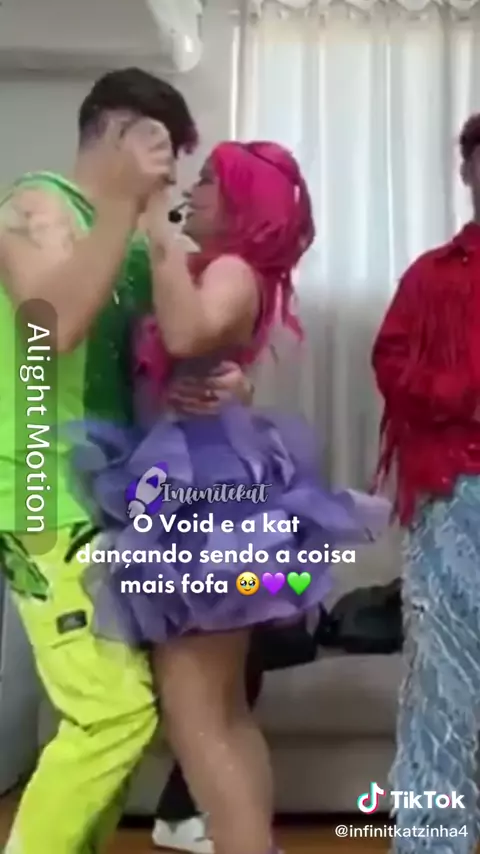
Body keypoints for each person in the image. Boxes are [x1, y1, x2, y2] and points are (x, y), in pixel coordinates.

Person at [70, 139, 391, 854]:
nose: (196, 188)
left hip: (205, 504)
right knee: (220, 714)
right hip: (204, 489)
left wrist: (153, 215)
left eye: (211, 180)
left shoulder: (232, 269)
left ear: (244, 202)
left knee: (200, 718)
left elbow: (188, 331)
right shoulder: (218, 269)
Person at [0, 68, 255, 854]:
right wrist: (121, 205)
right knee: (112, 713)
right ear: (116, 133)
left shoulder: (138, 244)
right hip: (41, 493)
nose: (170, 177)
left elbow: (163, 355)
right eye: (159, 151)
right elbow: (52, 327)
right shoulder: (35, 205)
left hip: (112, 497)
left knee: (126, 714)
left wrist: (223, 383)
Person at [371, 113, 480, 854]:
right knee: (442, 691)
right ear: (467, 173)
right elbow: (392, 364)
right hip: (450, 497)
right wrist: (463, 393)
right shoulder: (431, 276)